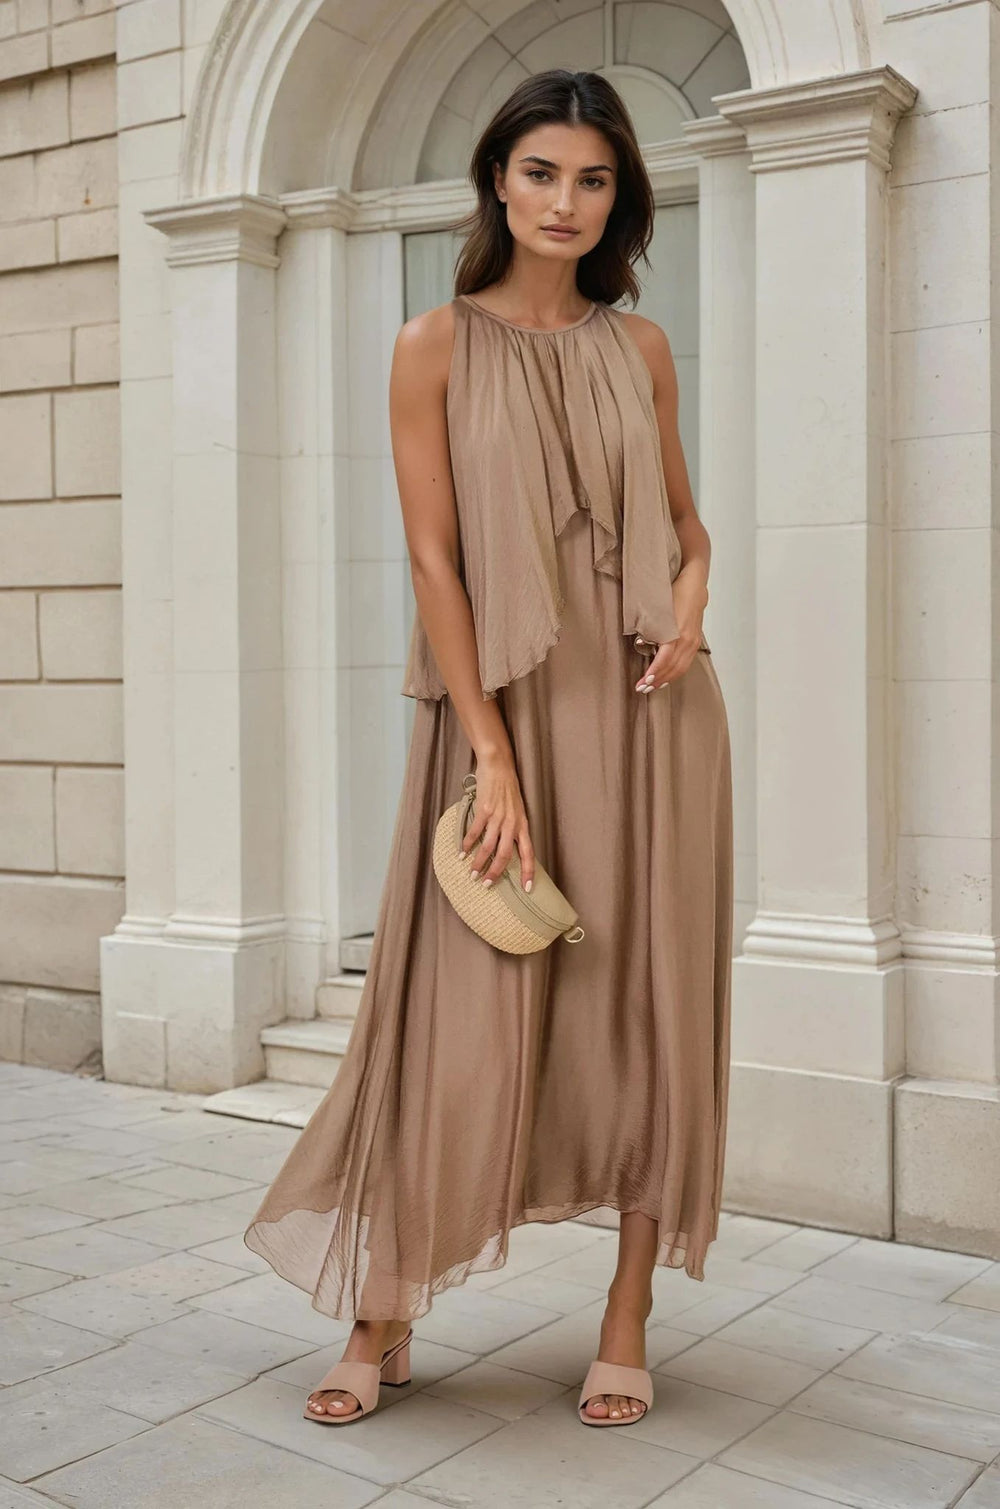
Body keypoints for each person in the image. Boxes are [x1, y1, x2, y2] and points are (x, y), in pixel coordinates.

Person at [245, 66, 733, 1432]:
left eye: (591, 178)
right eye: (540, 174)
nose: (565, 202)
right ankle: (382, 1304)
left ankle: (627, 1310)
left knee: (647, 1010)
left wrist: (695, 589)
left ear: (618, 193)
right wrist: (493, 758)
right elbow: (432, 561)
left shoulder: (639, 348)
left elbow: (688, 526)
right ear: (496, 182)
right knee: (452, 1013)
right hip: (500, 719)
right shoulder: (432, 345)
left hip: (650, 716)